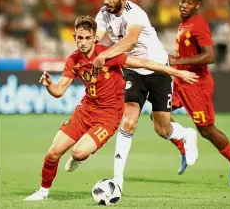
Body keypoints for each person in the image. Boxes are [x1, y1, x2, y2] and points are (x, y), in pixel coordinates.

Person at [23, 15, 198, 201]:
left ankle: (78, 158)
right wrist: (49, 85)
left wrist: (176, 72)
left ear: (94, 38)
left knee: (78, 152)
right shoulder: (73, 60)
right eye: (79, 38)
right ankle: (42, 192)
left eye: (87, 38)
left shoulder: (109, 55)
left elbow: (145, 63)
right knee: (53, 152)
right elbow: (59, 91)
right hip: (85, 111)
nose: (83, 42)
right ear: (74, 37)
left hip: (108, 117)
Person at [88, 0, 198, 191]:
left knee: (162, 128)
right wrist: (87, 45)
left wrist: (105, 55)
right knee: (128, 121)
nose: (106, 1)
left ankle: (186, 134)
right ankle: (117, 180)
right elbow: (96, 37)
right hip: (133, 70)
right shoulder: (103, 14)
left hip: (157, 68)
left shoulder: (135, 14)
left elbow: (129, 42)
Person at [168, 0, 230, 186]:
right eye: (183, 0)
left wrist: (179, 61)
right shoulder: (184, 23)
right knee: (160, 115)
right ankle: (184, 148)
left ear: (197, 5)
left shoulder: (198, 25)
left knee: (206, 130)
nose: (184, 4)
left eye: (190, 2)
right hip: (181, 79)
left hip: (196, 84)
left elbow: (210, 56)